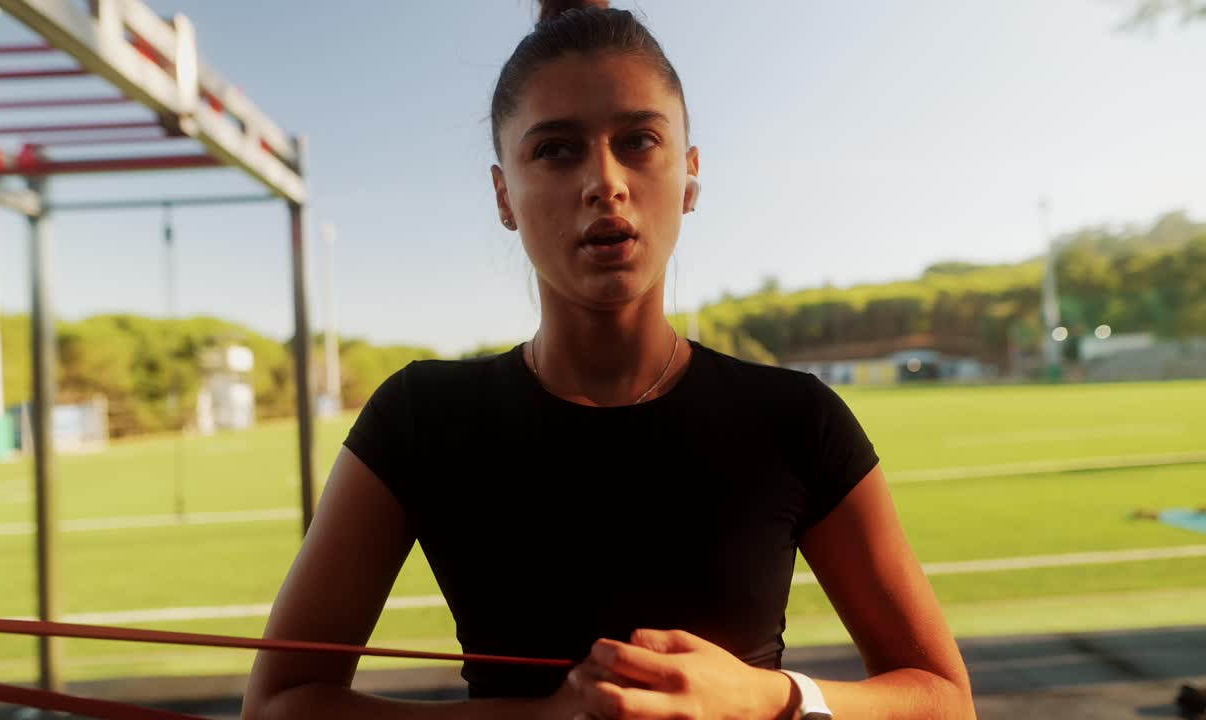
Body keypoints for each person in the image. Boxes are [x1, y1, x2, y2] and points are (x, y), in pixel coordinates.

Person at [242, 2, 976, 718]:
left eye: (639, 141)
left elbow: (944, 698)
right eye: (556, 149)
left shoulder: (795, 419)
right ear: (504, 193)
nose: (605, 182)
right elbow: (279, 703)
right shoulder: (420, 418)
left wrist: (772, 700)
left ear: (690, 175)